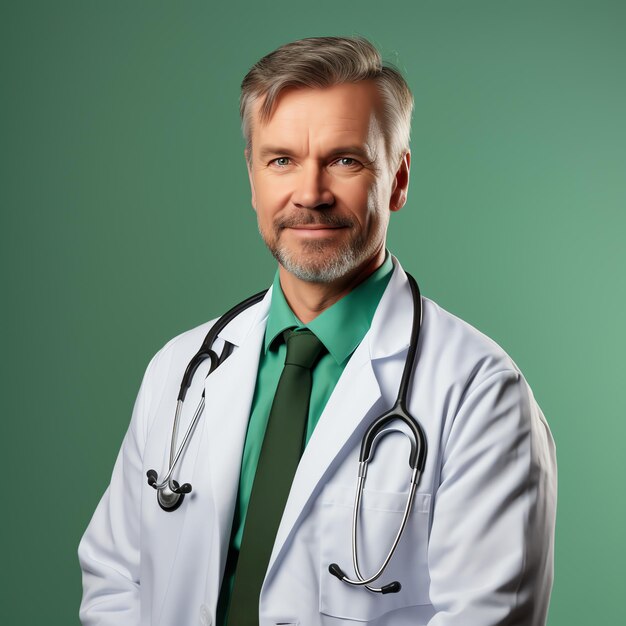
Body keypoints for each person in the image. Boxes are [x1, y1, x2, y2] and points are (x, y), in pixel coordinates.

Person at [79, 36, 557, 626]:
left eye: (344, 160)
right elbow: (115, 578)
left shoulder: (479, 392)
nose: (310, 194)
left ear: (398, 180)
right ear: (252, 179)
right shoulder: (180, 368)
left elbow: (487, 617)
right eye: (282, 160)